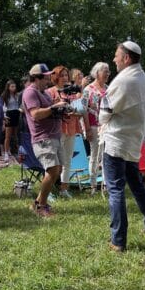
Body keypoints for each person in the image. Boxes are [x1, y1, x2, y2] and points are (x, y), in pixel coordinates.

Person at [100, 41, 145, 252]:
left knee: (116, 189)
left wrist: (101, 119)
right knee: (137, 186)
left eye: (117, 56)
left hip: (116, 141)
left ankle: (118, 240)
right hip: (134, 142)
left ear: (126, 58)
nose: (114, 59)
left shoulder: (123, 80)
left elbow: (106, 111)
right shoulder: (144, 80)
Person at [22, 63, 67, 216]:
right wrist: (54, 108)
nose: (48, 78)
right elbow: (35, 114)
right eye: (46, 76)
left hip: (54, 135)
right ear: (36, 78)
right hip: (43, 138)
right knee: (52, 170)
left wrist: (61, 107)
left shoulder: (44, 92)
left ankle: (37, 203)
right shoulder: (30, 92)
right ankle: (42, 206)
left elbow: (50, 108)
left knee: (58, 169)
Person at [46, 66, 90, 198]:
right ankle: (47, 191)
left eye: (66, 75)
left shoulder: (72, 92)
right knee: (53, 161)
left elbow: (80, 110)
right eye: (62, 75)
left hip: (71, 128)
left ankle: (63, 189)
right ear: (55, 77)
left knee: (67, 160)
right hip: (56, 129)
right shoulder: (50, 92)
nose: (65, 77)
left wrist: (75, 111)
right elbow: (48, 111)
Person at [82, 62, 110, 195]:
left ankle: (105, 185)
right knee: (94, 156)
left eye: (108, 71)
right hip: (93, 126)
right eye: (105, 71)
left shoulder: (108, 88)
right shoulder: (88, 89)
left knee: (106, 156)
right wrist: (86, 129)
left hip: (106, 126)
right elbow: (83, 110)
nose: (108, 74)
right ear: (97, 73)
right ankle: (93, 185)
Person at [1, 80, 20, 162]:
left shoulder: (17, 95)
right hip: (9, 114)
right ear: (8, 87)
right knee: (7, 136)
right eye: (12, 86)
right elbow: (2, 107)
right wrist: (4, 117)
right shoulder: (5, 96)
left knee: (16, 135)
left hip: (17, 113)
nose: (13, 88)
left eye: (14, 86)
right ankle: (5, 152)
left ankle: (17, 151)